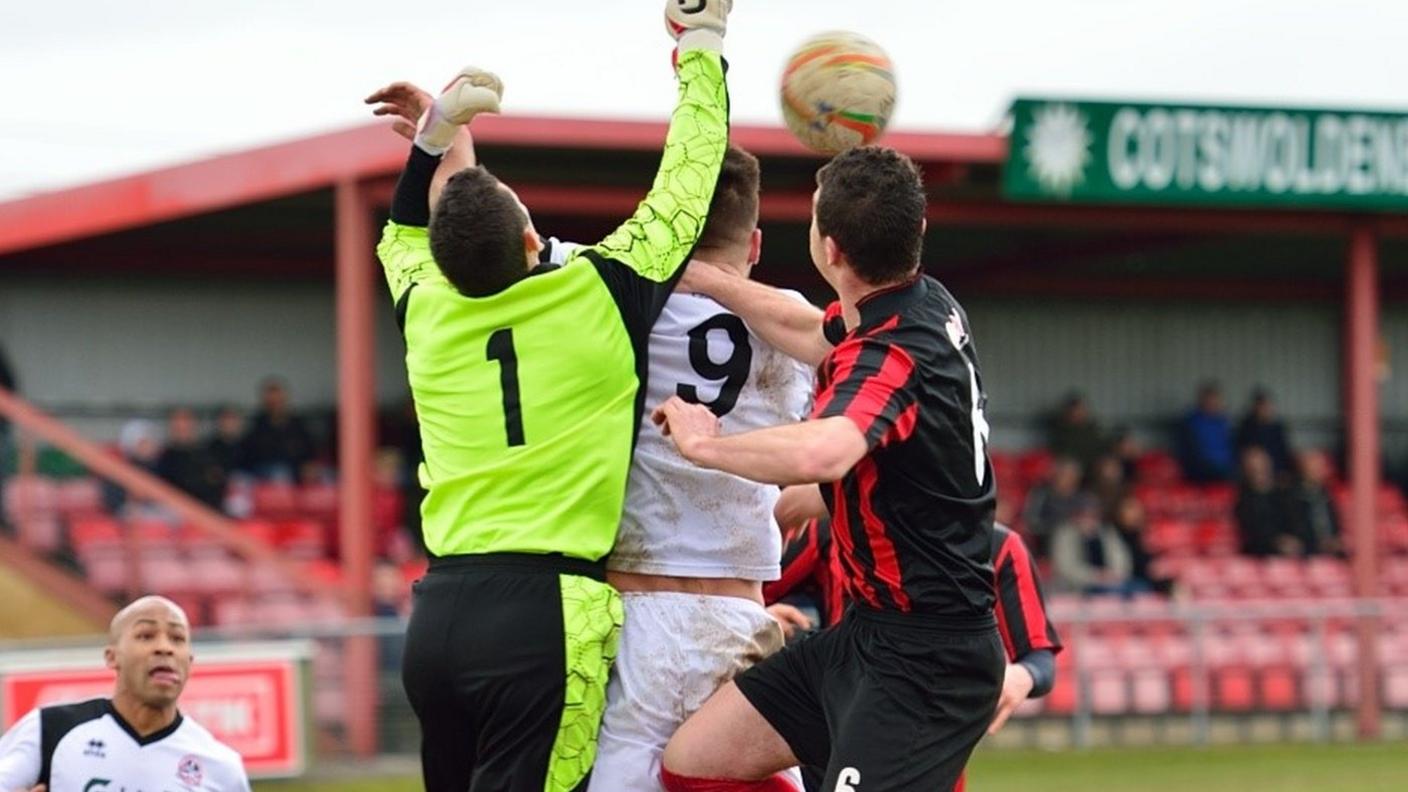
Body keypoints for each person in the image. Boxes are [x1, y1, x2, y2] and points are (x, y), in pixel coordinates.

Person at [369, 4, 733, 789]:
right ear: (534, 240)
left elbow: (399, 234)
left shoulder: (424, 311)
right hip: (546, 613)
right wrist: (701, 43)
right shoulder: (601, 289)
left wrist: (434, 143)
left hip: (439, 612)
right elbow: (690, 178)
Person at [653, 146, 1003, 791]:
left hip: (930, 660)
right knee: (695, 761)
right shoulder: (921, 303)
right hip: (869, 635)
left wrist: (704, 446)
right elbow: (814, 332)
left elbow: (826, 450)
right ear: (917, 232)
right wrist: (709, 281)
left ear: (829, 249)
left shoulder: (890, 354)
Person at [585, 145, 813, 792]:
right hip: (741, 613)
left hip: (641, 612)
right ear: (757, 242)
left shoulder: (620, 300)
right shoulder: (792, 317)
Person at [762, 512, 1061, 792]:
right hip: (835, 719)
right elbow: (749, 595)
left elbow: (1039, 656)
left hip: (931, 734)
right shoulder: (833, 532)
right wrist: (762, 615)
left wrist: (1023, 675)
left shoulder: (999, 547)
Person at [0, 596, 250, 791]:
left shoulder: (221, 766)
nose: (164, 648)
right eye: (146, 635)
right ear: (112, 656)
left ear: (190, 661)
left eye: (177, 638)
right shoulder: (50, 730)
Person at [1051, 500, 1137, 597]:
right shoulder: (1065, 535)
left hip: (1110, 583)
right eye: (1085, 516)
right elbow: (1066, 569)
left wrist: (1114, 574)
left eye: (1093, 516)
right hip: (1077, 587)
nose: (1089, 520)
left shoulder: (1106, 532)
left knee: (1139, 588)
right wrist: (1096, 576)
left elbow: (1122, 558)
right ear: (1076, 517)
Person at [239, 378, 314, 482]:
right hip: (266, 470)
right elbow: (251, 456)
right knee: (280, 473)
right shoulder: (257, 424)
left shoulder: (298, 423)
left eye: (279, 400)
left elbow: (309, 449)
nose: (276, 405)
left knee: (327, 475)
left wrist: (309, 465)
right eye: (272, 402)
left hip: (297, 468)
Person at [156, 408, 226, 509]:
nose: (182, 427)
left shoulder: (209, 454)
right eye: (177, 424)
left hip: (204, 511)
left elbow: (216, 484)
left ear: (194, 425)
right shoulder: (163, 456)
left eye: (186, 422)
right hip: (173, 510)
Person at [1235, 446, 1298, 557]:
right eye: (1253, 466)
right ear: (1245, 469)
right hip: (1258, 553)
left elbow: (1296, 521)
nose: (1258, 469)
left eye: (1261, 464)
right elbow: (1250, 530)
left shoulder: (1284, 494)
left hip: (1291, 549)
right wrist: (1275, 542)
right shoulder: (1242, 498)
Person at [1021, 457, 1090, 557]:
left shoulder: (1083, 498)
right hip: (1049, 542)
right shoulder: (1042, 494)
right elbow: (1031, 523)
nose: (1068, 479)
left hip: (1079, 543)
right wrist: (1059, 526)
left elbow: (1092, 524)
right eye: (1064, 474)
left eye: (1072, 476)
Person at [1285, 450, 1343, 557]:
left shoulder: (1327, 495)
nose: (1320, 471)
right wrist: (1318, 543)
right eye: (1315, 468)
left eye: (1321, 467)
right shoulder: (1291, 496)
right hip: (1305, 553)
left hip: (1331, 552)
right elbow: (1294, 530)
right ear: (1303, 469)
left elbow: (1334, 525)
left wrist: (1335, 540)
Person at [1177, 382, 1234, 483]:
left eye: (1215, 400)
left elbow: (1229, 446)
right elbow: (1190, 450)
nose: (1213, 403)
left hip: (1224, 466)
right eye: (1209, 400)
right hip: (1201, 468)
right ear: (1202, 400)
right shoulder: (1192, 422)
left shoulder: (1222, 422)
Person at [1236, 387, 1295, 479]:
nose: (1265, 409)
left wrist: (1284, 471)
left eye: (1268, 406)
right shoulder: (1246, 427)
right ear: (1255, 407)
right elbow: (1242, 452)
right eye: (1262, 406)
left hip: (1277, 471)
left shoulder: (1278, 428)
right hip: (1254, 472)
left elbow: (1284, 452)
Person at [1047, 392, 1104, 471]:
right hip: (1072, 467)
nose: (1078, 414)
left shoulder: (1092, 429)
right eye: (1074, 411)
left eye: (1080, 410)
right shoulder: (1061, 432)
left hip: (1093, 466)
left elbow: (1100, 447)